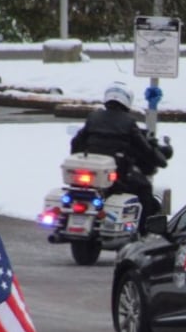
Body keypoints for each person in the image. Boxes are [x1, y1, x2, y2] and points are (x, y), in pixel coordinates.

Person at [70, 82, 171, 234]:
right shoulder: (128, 122)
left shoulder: (93, 117)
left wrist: (79, 156)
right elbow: (144, 148)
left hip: (90, 174)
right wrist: (158, 158)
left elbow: (76, 142)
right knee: (144, 189)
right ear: (126, 100)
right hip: (118, 176)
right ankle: (143, 232)